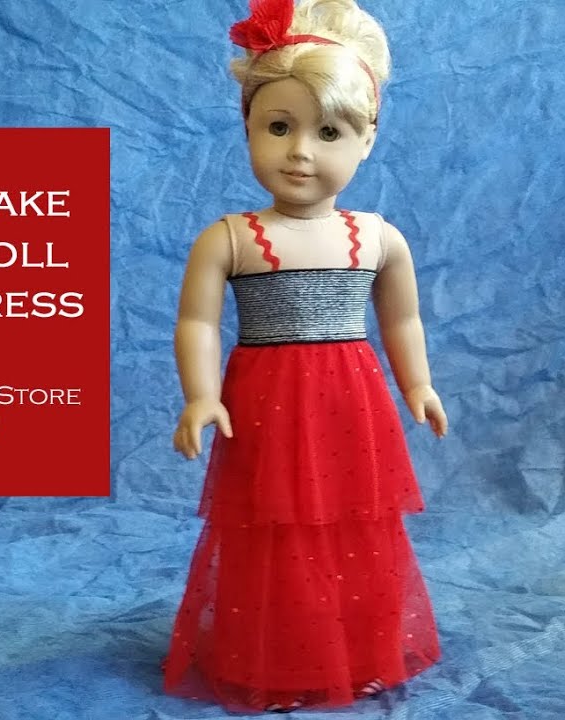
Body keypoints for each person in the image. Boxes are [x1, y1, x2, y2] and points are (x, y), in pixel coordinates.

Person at [161, 0, 450, 712]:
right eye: (278, 127)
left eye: (328, 132)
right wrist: (201, 396)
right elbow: (197, 322)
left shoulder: (378, 238)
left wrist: (418, 384)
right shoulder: (229, 238)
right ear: (248, 127)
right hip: (265, 406)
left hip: (352, 404)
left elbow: (402, 318)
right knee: (271, 526)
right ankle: (275, 648)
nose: (300, 152)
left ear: (367, 139)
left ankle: (353, 645)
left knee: (355, 524)